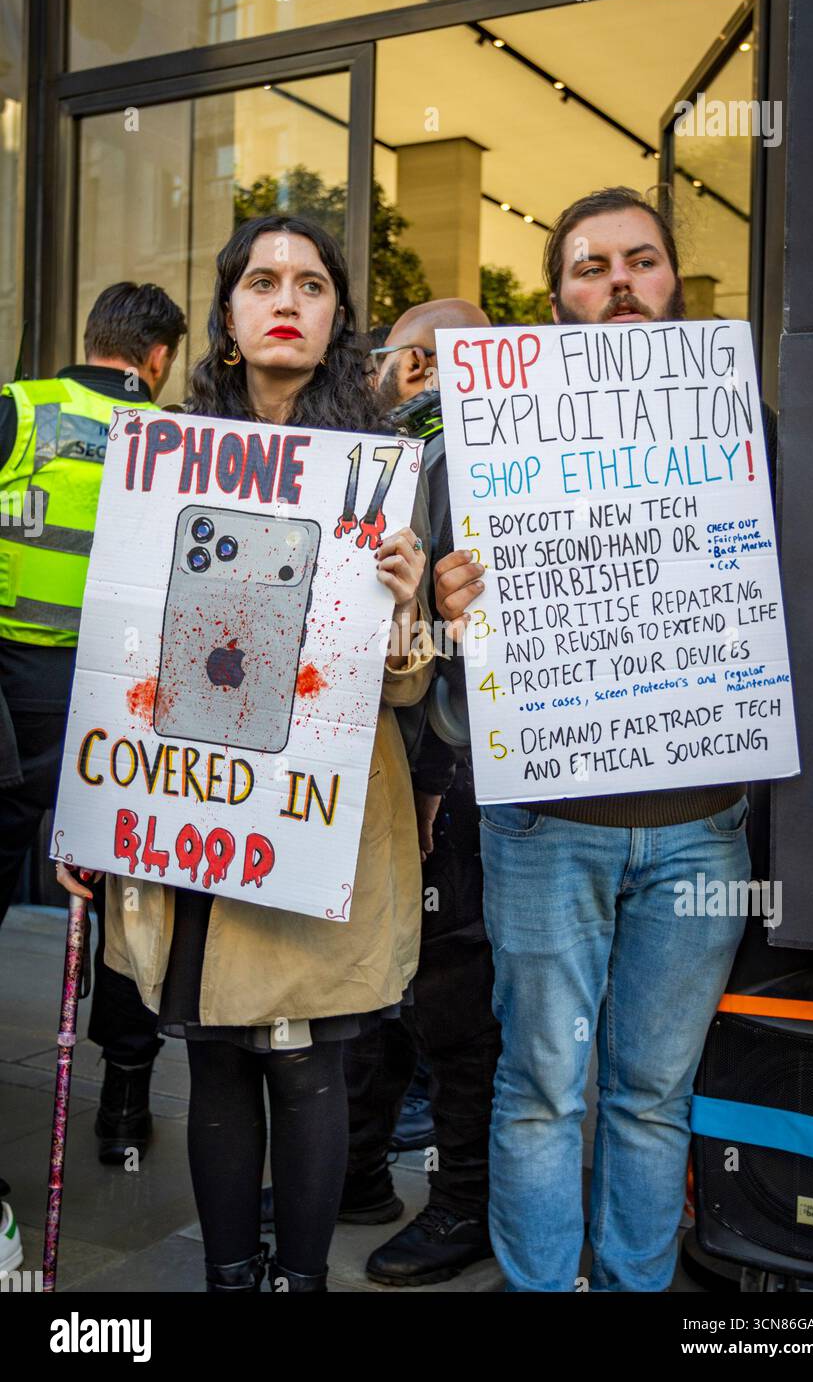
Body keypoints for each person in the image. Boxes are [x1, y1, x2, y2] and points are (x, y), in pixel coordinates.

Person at [57, 214, 435, 1294]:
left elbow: (407, 687)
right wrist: (84, 808)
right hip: (190, 804)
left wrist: (404, 612)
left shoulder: (379, 474)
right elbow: (116, 634)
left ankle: (301, 1280)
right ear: (224, 317)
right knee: (212, 1051)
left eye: (310, 283)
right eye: (261, 280)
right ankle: (230, 1278)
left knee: (306, 1062)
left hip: (313, 821)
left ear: (333, 318)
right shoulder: (159, 458)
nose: (286, 297)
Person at [434, 186, 777, 1292]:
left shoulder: (747, 431)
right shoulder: (479, 444)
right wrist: (447, 614)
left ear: (673, 281)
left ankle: (635, 1286)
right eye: (591, 266)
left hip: (699, 830)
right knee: (541, 1088)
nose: (618, 281)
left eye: (640, 260)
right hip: (542, 827)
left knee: (648, 1088)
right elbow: (425, 672)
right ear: (556, 296)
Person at [0, 282, 186, 1167]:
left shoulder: (18, 410)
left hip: (10, 698)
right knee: (131, 905)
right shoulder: (183, 442)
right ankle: (122, 1105)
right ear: (157, 359)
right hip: (121, 704)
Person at [336, 299, 502, 1288]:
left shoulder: (464, 463)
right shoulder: (399, 455)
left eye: (395, 356)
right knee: (378, 981)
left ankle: (460, 1202)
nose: (381, 371)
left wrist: (439, 777)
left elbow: (451, 649)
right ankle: (356, 1173)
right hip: (392, 774)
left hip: (449, 779)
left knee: (446, 996)